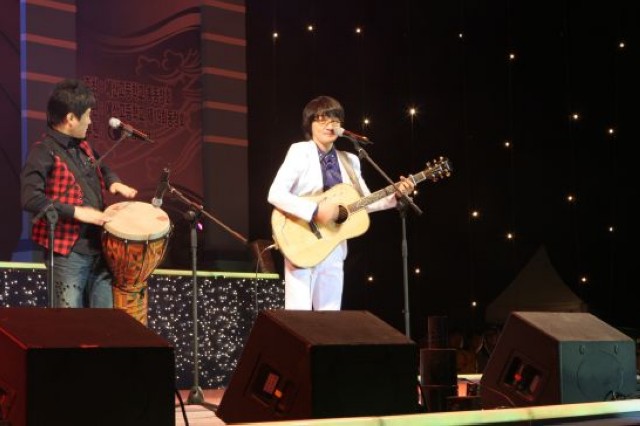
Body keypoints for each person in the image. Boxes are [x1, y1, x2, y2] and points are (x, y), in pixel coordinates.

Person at [268, 95, 415, 310]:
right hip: (301, 239)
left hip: (334, 245)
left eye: (335, 119)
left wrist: (396, 196)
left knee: (330, 318)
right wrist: (316, 210)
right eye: (322, 119)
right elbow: (275, 194)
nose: (330, 125)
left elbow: (364, 202)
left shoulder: (350, 160)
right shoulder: (300, 151)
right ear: (310, 124)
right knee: (299, 316)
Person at [20, 78, 138, 308]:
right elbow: (31, 198)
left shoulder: (84, 146)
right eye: (88, 115)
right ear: (71, 118)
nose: (90, 121)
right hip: (68, 254)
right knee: (70, 322)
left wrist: (113, 182)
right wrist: (77, 212)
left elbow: (102, 166)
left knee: (104, 321)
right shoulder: (42, 152)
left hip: (99, 249)